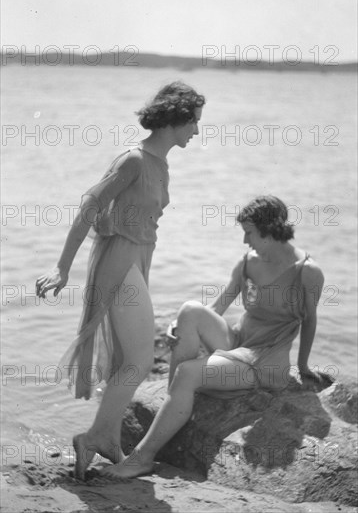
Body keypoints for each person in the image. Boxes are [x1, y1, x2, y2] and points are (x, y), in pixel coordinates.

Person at [35, 81, 205, 480]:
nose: (196, 132)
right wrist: (62, 267)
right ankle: (94, 436)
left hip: (138, 260)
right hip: (119, 262)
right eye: (193, 123)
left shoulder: (160, 163)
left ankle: (107, 436)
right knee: (141, 359)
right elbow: (89, 206)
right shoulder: (132, 159)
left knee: (133, 357)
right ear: (175, 120)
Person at [101, 195, 330, 480]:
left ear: (269, 231)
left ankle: (143, 457)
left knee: (187, 373)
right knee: (189, 311)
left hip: (265, 360)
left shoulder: (308, 272)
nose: (245, 241)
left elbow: (310, 322)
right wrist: (178, 326)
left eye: (249, 233)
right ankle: (176, 402)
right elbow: (217, 308)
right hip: (238, 341)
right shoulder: (249, 262)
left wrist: (304, 366)